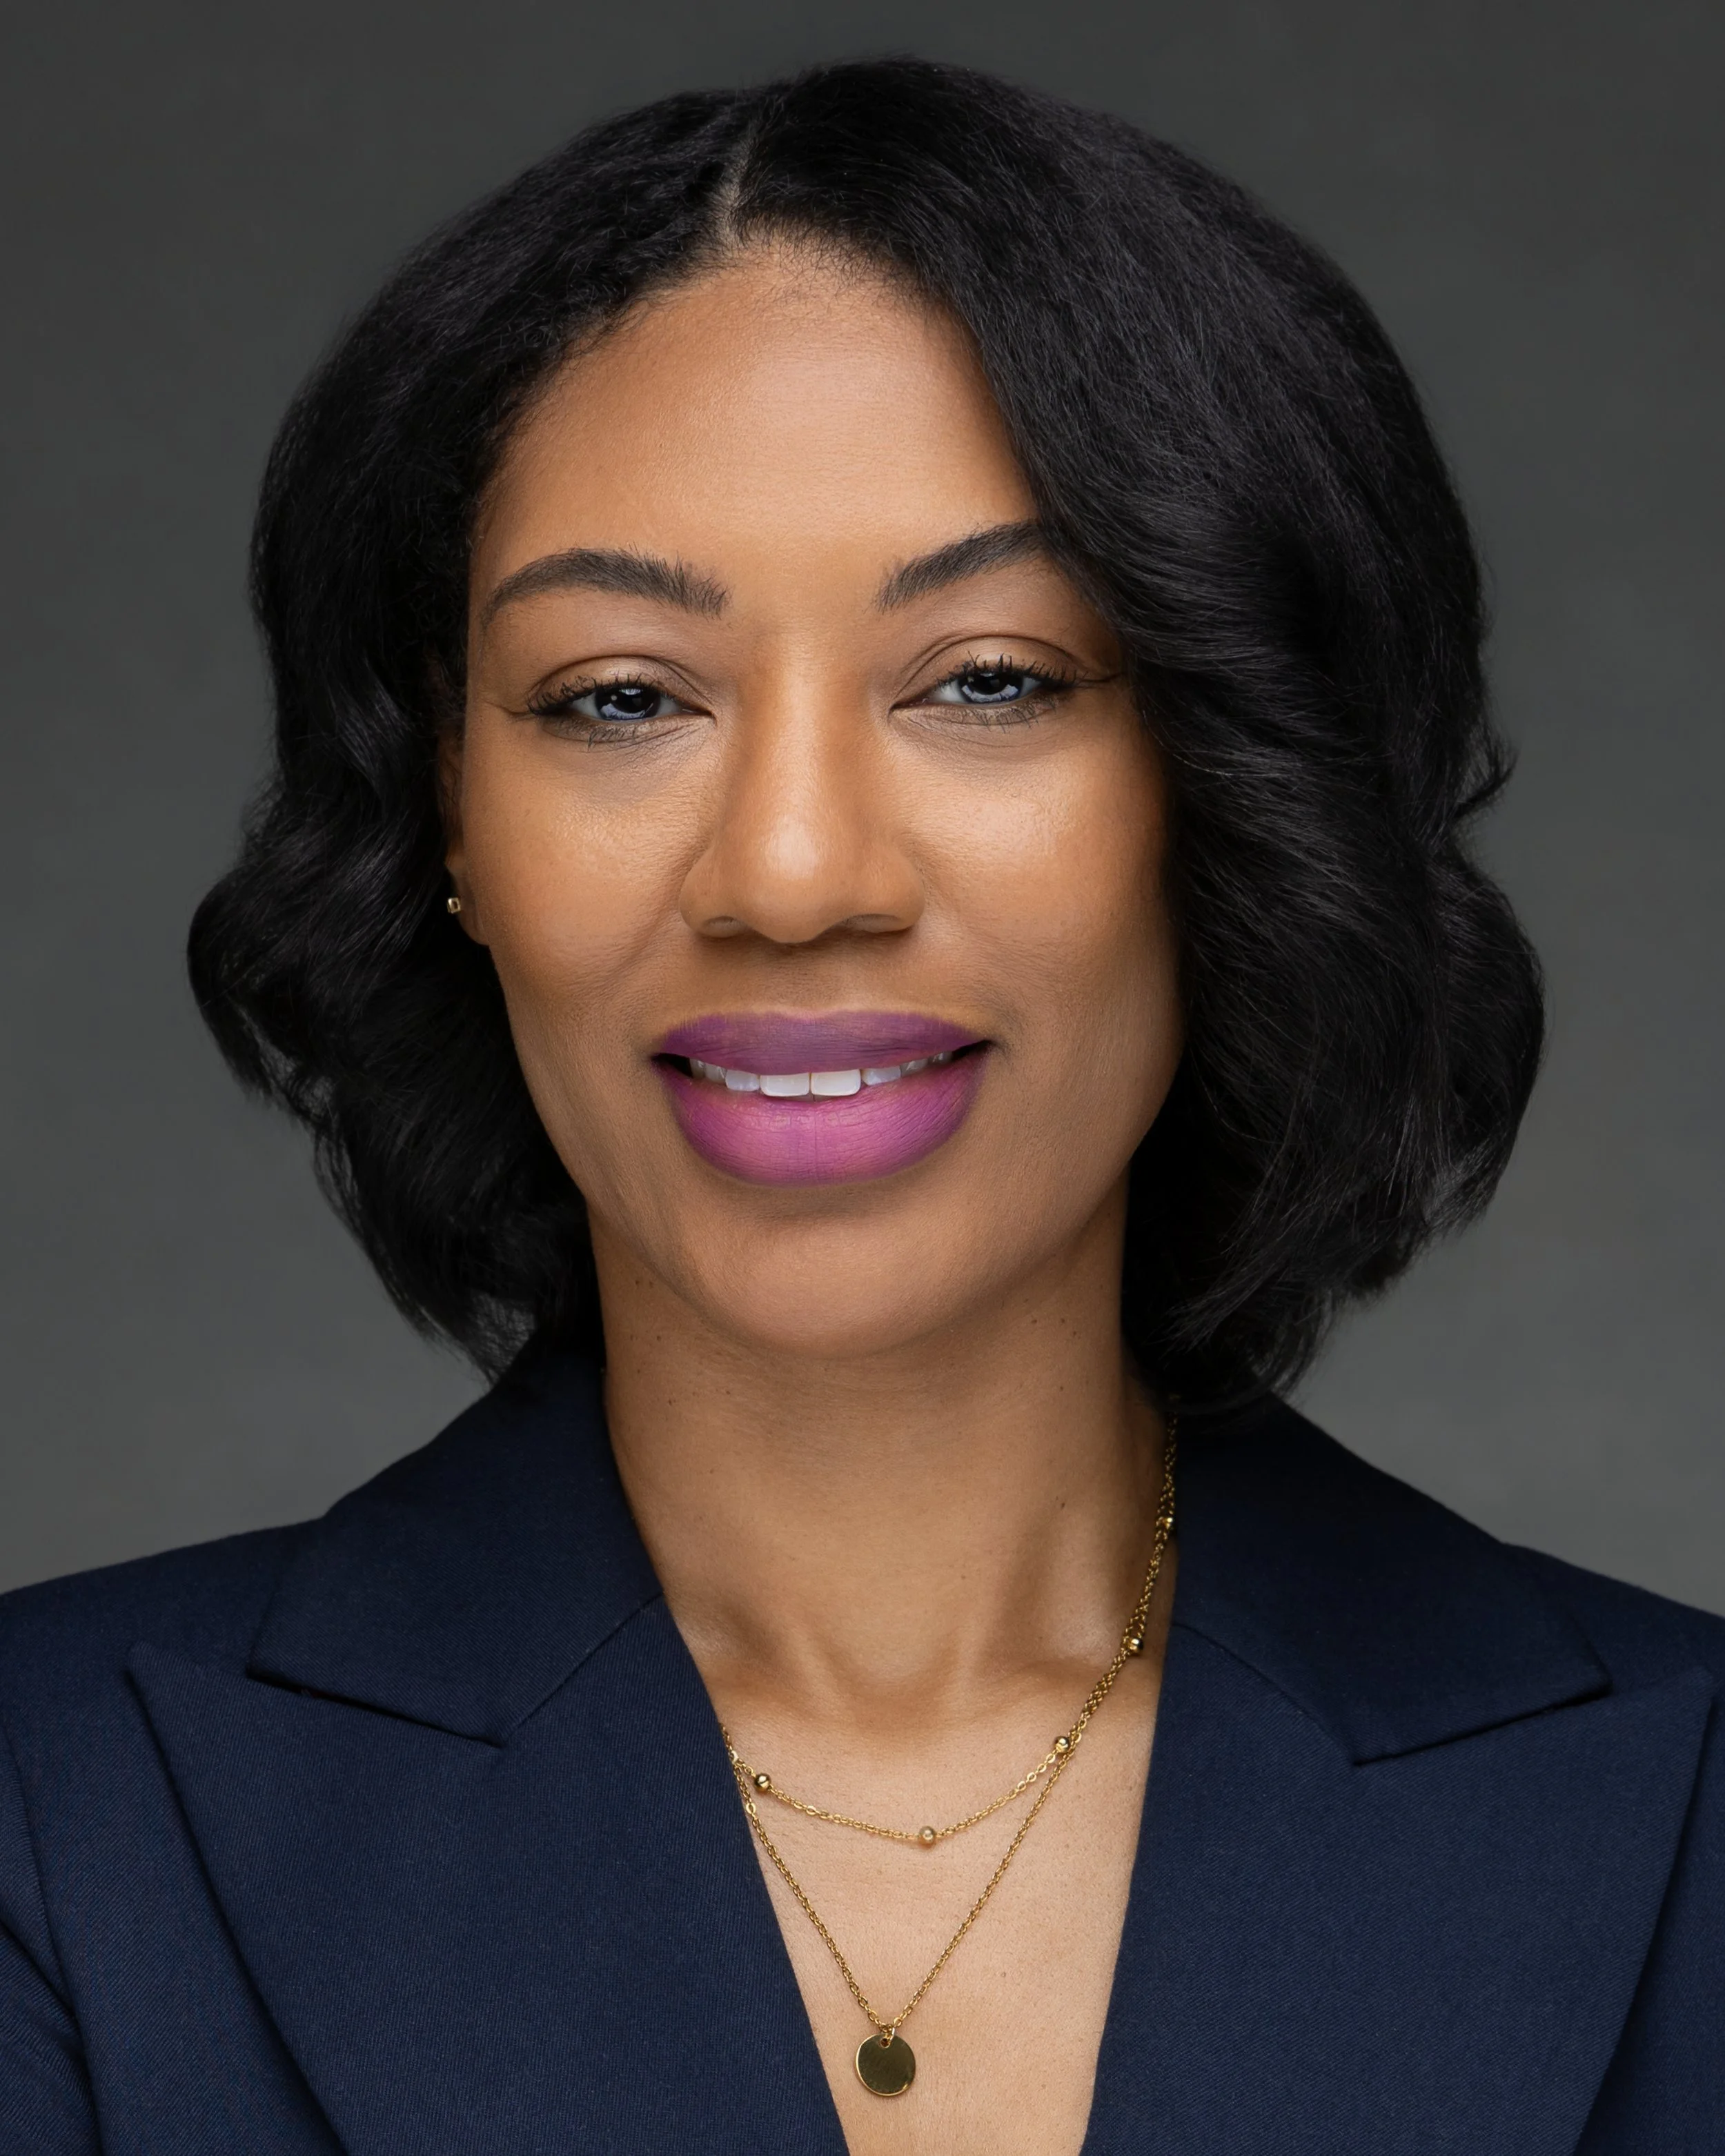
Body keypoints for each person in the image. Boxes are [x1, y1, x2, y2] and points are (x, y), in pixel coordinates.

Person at [1, 57, 1717, 2156]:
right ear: (449, 819)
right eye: (617, 695)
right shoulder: (50, 1816)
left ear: (1231, 789)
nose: (792, 873)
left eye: (986, 678)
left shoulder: (1689, 1809)